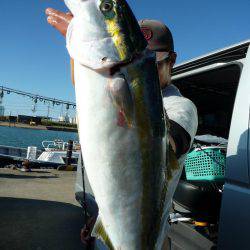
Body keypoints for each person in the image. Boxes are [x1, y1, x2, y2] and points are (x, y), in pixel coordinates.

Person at [45, 8, 198, 249]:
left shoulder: (181, 106)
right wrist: (99, 220)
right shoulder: (119, 88)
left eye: (153, 62)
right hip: (110, 223)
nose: (142, 73)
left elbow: (163, 142)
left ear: (172, 60)